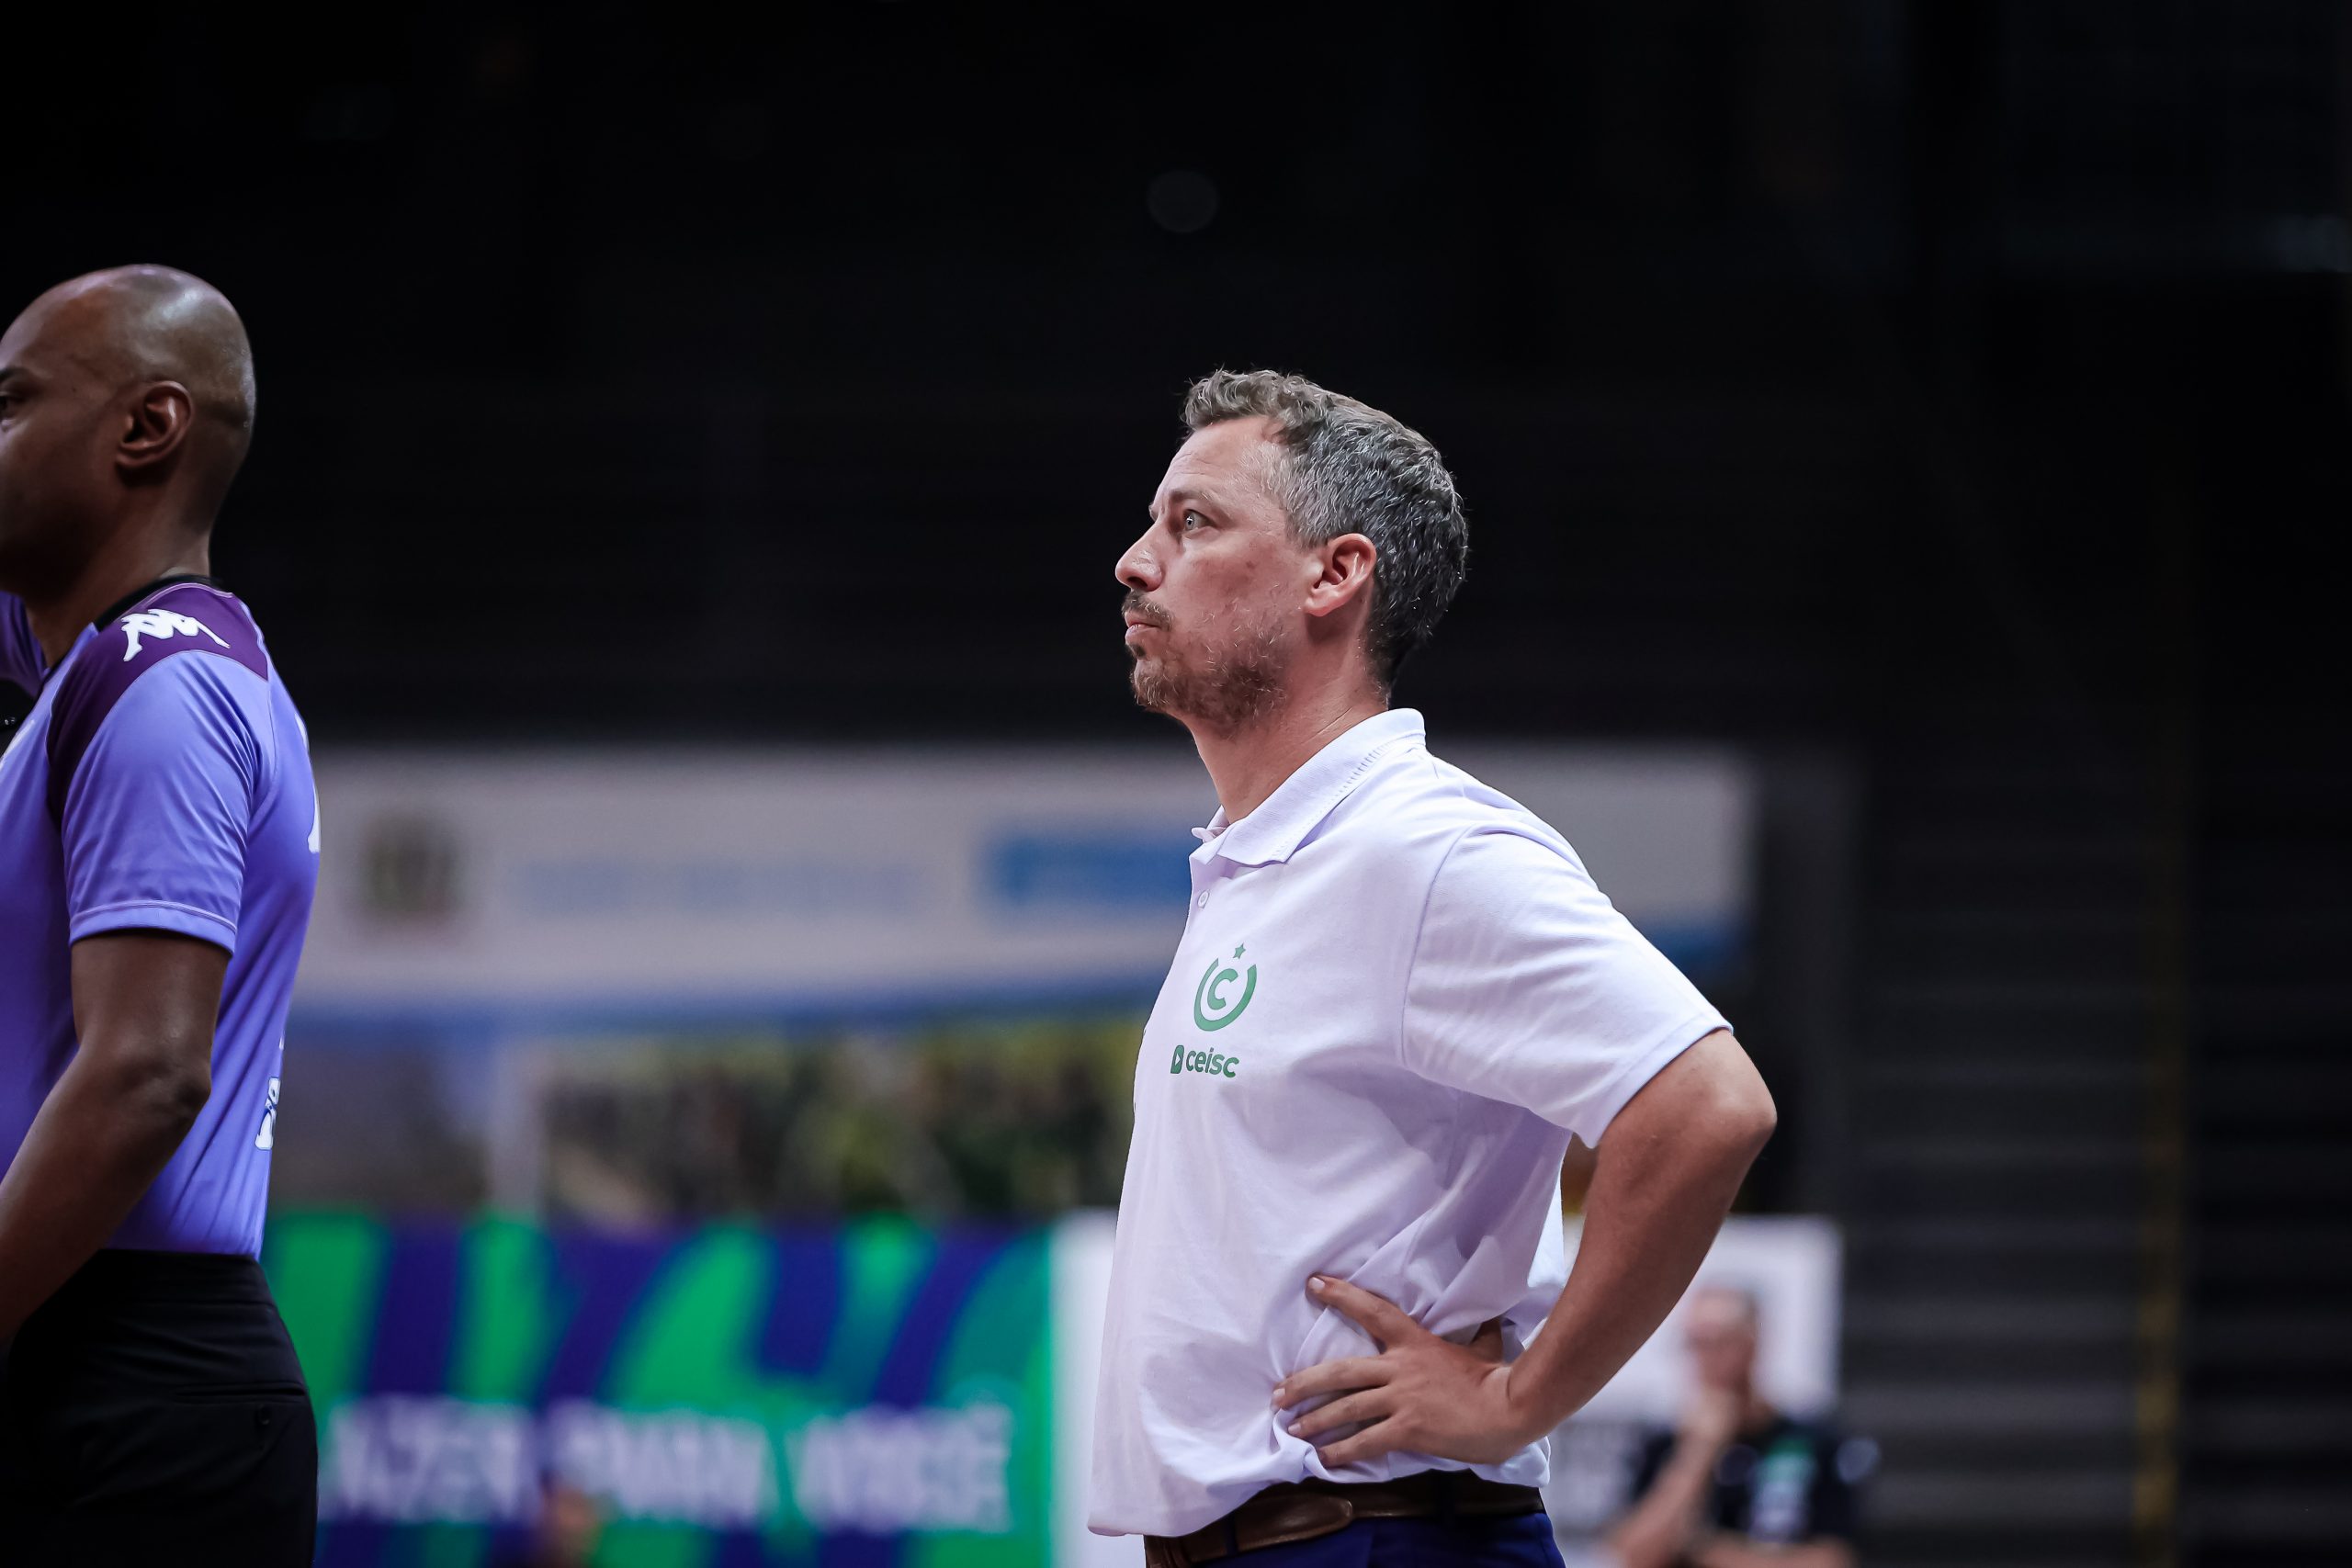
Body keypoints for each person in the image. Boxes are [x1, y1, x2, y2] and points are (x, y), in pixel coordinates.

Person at [1091, 369, 1779, 1567]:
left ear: (1335, 574)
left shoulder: (1422, 846)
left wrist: (1519, 1400)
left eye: (1193, 522)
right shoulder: (1268, 857)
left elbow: (1709, 1103)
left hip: (1376, 1535)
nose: (1136, 561)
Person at [0, 266, 320, 1562]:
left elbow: (146, 1074)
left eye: (10, 401)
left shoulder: (161, 691)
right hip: (91, 1355)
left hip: (129, 1387)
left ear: (146, 427)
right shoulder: (102, 670)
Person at [1609, 1287, 1871, 1568]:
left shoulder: (1812, 1442)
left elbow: (1833, 1559)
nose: (1707, 1357)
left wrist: (1706, 1550)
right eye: (1695, 1343)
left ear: (1752, 1343)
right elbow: (1634, 1555)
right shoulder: (1662, 1446)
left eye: (1720, 1342)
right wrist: (1698, 1452)